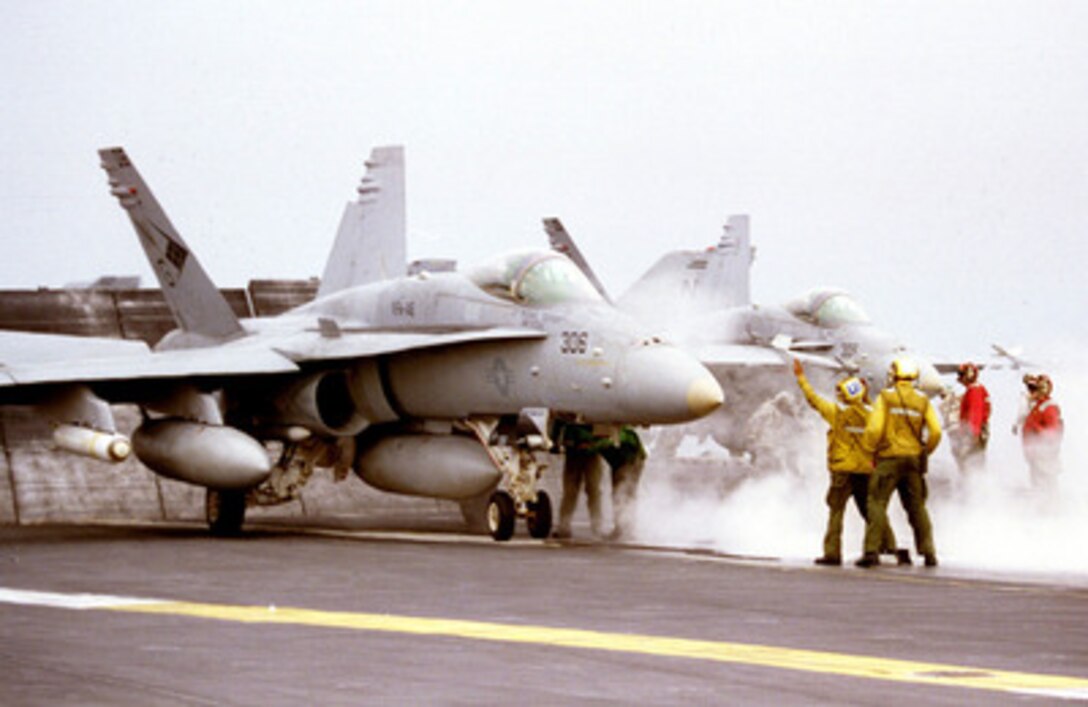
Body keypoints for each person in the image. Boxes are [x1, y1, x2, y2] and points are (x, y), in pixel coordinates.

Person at [793, 360, 906, 567]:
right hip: (865, 470)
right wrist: (866, 395)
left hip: (842, 471)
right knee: (873, 511)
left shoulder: (836, 413)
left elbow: (813, 399)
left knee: (836, 513)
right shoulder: (872, 415)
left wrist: (801, 378)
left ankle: (832, 554)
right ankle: (890, 547)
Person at [858, 357, 942, 568]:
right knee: (917, 507)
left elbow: (875, 429)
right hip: (913, 462)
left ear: (893, 376)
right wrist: (925, 452)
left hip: (889, 459)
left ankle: (871, 551)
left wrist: (868, 451)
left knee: (876, 503)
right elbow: (936, 431)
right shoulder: (923, 400)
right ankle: (929, 553)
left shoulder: (886, 398)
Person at [552, 422, 607, 539]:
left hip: (590, 451)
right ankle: (564, 526)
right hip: (574, 450)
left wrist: (594, 445)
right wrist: (555, 441)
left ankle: (597, 526)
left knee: (592, 490)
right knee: (571, 491)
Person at [600, 426, 647, 541]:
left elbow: (631, 454)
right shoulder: (624, 432)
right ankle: (623, 529)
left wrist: (589, 447)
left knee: (623, 495)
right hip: (626, 462)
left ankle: (625, 530)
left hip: (630, 462)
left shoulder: (623, 434)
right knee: (621, 495)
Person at [1021, 373, 1064, 492]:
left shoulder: (1049, 407)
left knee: (1046, 486)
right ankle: (1041, 507)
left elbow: (1052, 434)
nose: (1030, 392)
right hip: (1037, 455)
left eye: (1034, 389)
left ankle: (1050, 508)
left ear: (1042, 390)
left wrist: (1034, 427)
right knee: (1038, 484)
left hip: (1045, 456)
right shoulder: (1038, 406)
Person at [952, 362, 991, 473]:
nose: (959, 378)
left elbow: (975, 413)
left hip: (973, 433)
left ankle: (973, 486)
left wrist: (974, 433)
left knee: (971, 462)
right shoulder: (976, 389)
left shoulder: (974, 391)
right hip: (976, 431)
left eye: (961, 374)